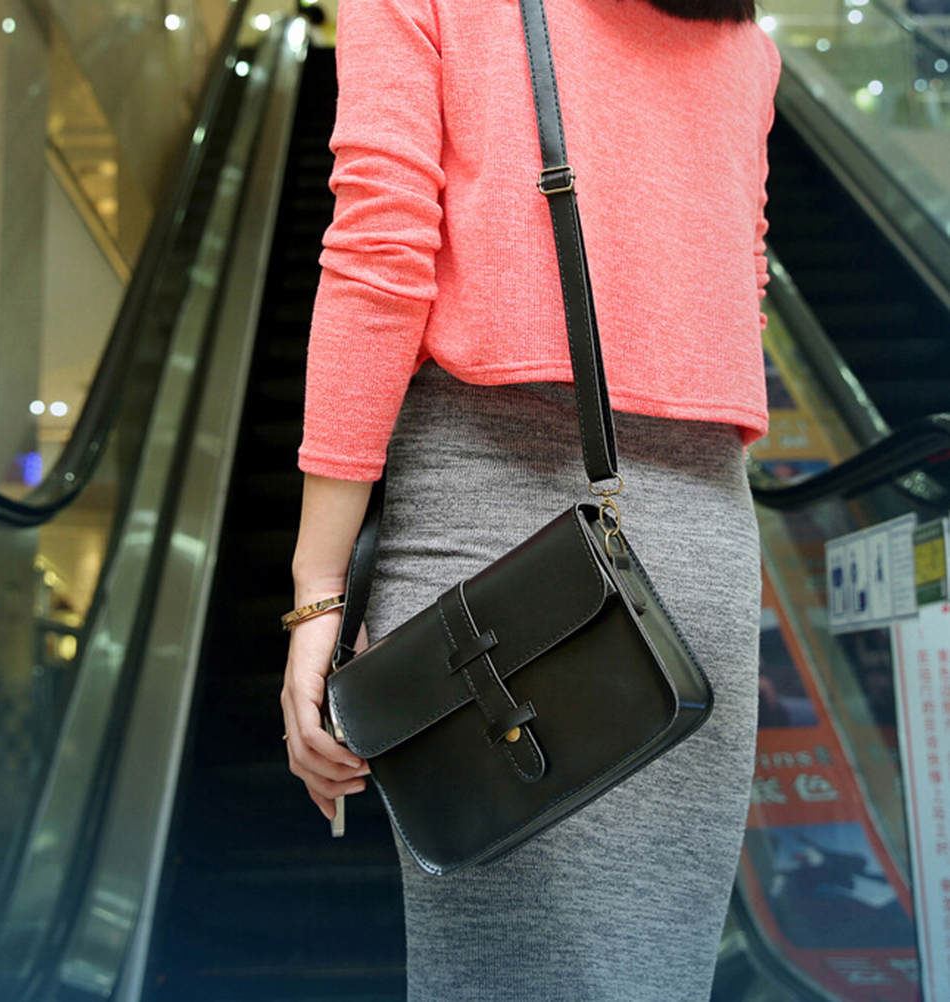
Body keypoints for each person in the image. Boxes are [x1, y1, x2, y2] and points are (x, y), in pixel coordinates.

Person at [280, 0, 780, 998]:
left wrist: (318, 589)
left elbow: (380, 254)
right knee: (652, 975)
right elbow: (744, 272)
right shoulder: (742, 40)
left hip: (496, 529)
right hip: (705, 548)